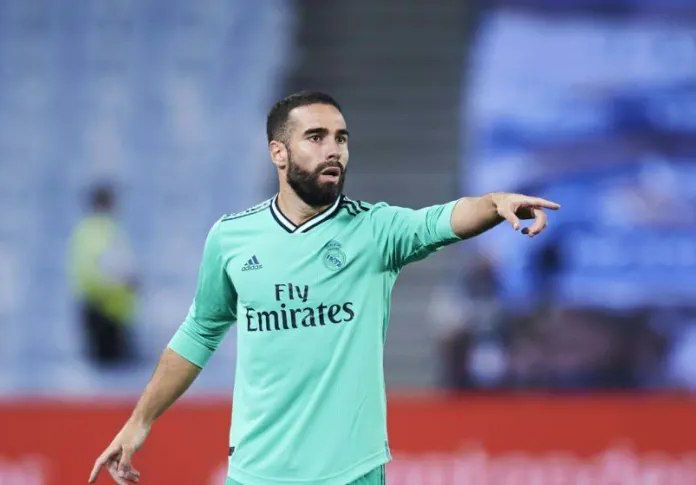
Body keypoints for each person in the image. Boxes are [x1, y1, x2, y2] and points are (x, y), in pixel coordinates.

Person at [88, 91, 560, 485]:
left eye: (341, 138)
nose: (333, 149)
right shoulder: (231, 238)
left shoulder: (376, 231)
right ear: (278, 152)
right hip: (256, 472)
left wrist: (494, 203)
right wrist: (139, 421)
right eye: (316, 137)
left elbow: (441, 220)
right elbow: (199, 333)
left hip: (349, 473)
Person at [69, 184, 138, 365]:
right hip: (105, 309)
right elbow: (102, 268)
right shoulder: (99, 230)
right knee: (111, 368)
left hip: (107, 308)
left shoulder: (90, 229)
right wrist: (126, 281)